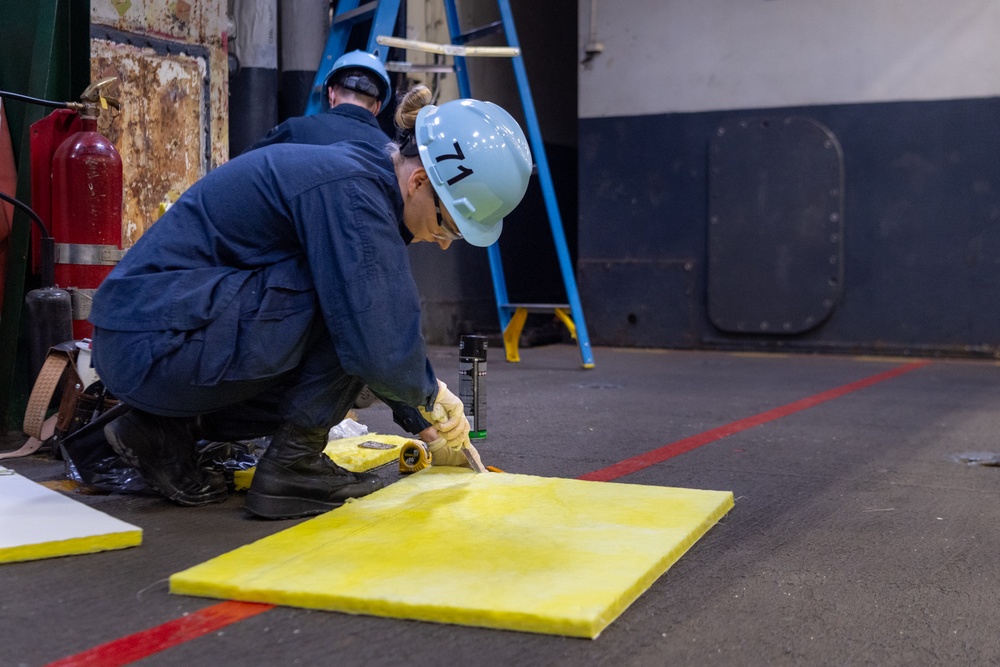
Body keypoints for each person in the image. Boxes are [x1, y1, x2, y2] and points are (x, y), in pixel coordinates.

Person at [88, 86, 533, 519]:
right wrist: (429, 394)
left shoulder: (364, 180)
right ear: (418, 181)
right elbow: (376, 337)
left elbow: (383, 336)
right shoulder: (353, 194)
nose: (440, 244)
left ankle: (161, 429)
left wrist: (426, 425)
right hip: (156, 345)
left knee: (367, 331)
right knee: (359, 319)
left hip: (158, 338)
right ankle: (293, 468)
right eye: (448, 228)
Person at [246, 50, 393, 152]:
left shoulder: (295, 130)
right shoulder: (390, 152)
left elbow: (244, 165)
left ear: (331, 94)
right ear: (377, 107)